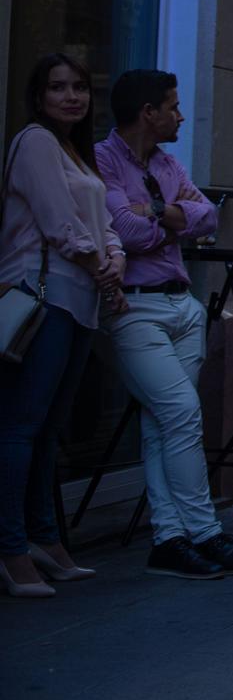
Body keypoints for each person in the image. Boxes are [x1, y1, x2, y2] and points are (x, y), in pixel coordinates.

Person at [95, 70, 233, 579]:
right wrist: (171, 221)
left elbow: (209, 217)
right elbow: (123, 228)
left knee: (161, 425)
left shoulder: (167, 164)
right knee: (183, 413)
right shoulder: (103, 160)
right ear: (149, 112)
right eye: (173, 106)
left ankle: (169, 539)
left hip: (181, 307)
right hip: (134, 308)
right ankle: (205, 530)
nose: (180, 116)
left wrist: (161, 211)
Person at [0, 54, 123, 598]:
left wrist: (113, 261)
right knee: (22, 428)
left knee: (49, 432)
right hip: (40, 297)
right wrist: (103, 268)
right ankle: (10, 548)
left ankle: (45, 540)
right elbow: (58, 223)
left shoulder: (79, 151)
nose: (71, 96)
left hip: (79, 303)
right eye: (57, 87)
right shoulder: (35, 142)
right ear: (38, 97)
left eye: (79, 86)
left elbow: (103, 225)